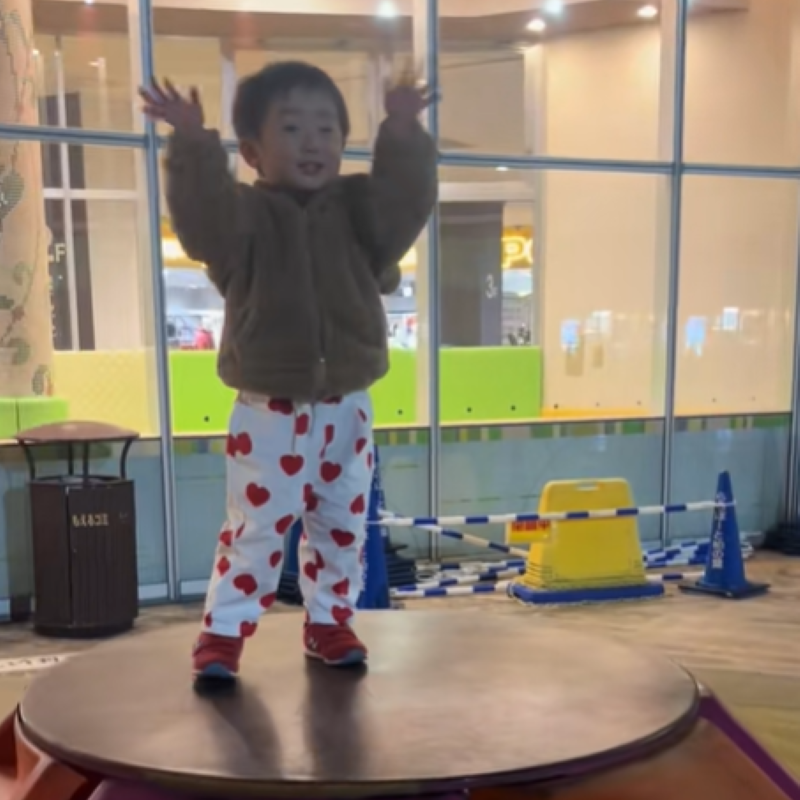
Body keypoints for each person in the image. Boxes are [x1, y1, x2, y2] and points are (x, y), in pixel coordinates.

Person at [140, 62, 437, 681]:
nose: (312, 142)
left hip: (347, 405)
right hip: (268, 409)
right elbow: (201, 220)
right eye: (293, 128)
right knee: (255, 528)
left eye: (327, 129)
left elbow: (404, 206)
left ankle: (330, 621)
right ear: (252, 151)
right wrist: (192, 142)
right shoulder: (244, 218)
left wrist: (403, 133)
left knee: (342, 526)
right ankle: (223, 632)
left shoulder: (359, 211)